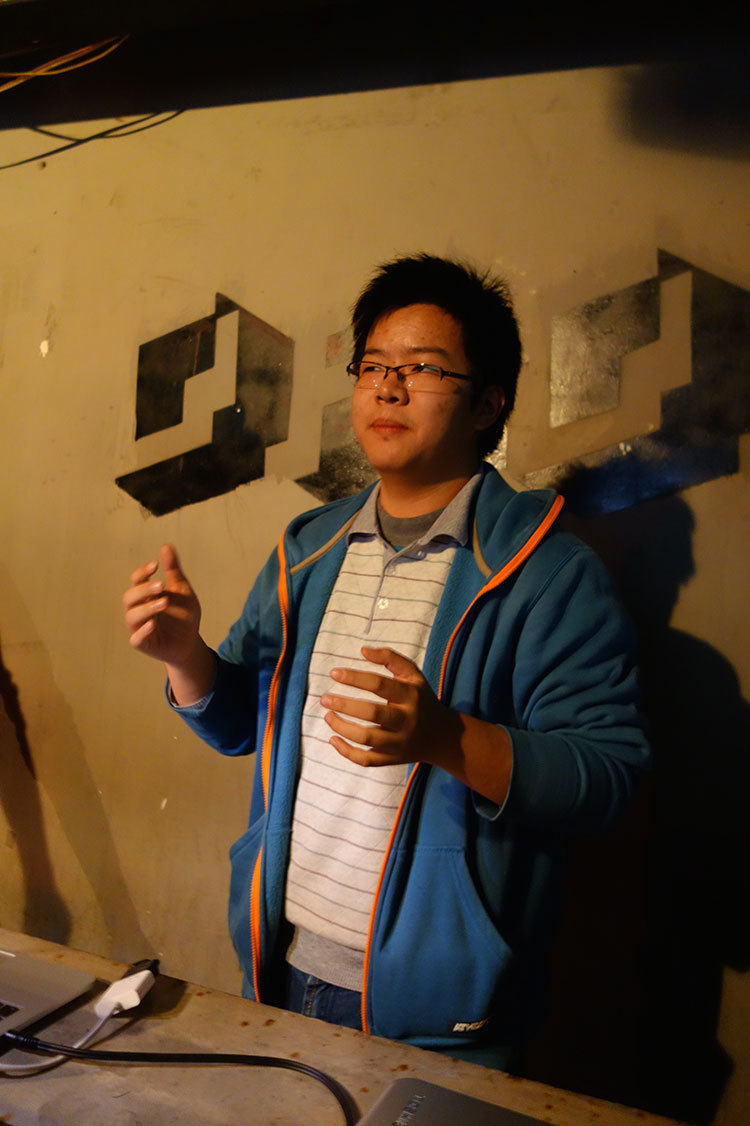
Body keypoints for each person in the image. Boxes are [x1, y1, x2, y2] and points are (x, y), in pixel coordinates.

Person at [123, 254, 649, 1070]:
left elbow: (609, 778)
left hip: (442, 1005)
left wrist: (444, 737)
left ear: (489, 402)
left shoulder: (547, 572)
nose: (389, 389)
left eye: (424, 368)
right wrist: (183, 654)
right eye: (373, 366)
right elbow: (243, 728)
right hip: (280, 962)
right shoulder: (309, 547)